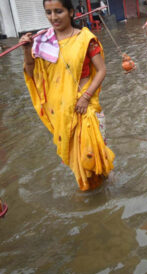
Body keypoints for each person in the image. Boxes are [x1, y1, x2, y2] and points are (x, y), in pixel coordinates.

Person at [20, 0, 115, 191]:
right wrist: (26, 51)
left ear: (71, 12)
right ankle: (94, 198)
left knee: (93, 158)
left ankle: (102, 196)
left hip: (84, 108)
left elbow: (102, 70)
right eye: (49, 12)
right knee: (78, 165)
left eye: (59, 11)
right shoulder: (43, 43)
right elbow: (33, 75)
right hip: (62, 113)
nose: (53, 17)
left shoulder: (85, 39)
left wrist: (86, 97)